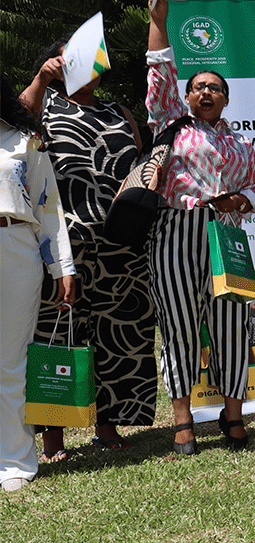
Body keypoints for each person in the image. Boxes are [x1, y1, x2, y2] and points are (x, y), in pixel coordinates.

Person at [14, 44, 154, 458]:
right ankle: (53, 438)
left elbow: (138, 160)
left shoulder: (119, 112)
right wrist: (42, 78)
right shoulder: (46, 107)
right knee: (58, 337)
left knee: (118, 332)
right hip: (64, 244)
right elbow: (18, 121)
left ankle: (108, 427)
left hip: (120, 242)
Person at [144, 0, 255, 454]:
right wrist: (160, 22)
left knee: (233, 323)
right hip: (177, 231)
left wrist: (242, 197)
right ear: (187, 96)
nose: (207, 92)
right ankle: (183, 419)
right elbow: (159, 72)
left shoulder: (242, 143)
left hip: (228, 236)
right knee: (179, 324)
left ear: (226, 97)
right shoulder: (172, 125)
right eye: (199, 87)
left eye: (216, 87)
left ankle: (232, 415)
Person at [0, 74, 76, 491]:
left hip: (14, 246)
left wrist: (63, 266)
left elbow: (48, 204)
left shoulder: (24, 139)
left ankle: (14, 460)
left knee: (10, 362)